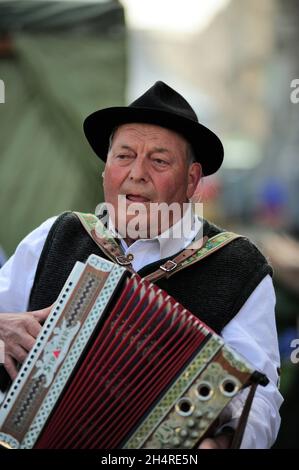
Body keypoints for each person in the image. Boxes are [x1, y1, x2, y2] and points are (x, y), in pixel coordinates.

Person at [0, 81, 282, 449]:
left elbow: (258, 398)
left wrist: (224, 444)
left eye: (159, 160)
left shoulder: (238, 265)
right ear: (105, 170)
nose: (137, 173)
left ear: (191, 180)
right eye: (123, 156)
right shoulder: (55, 235)